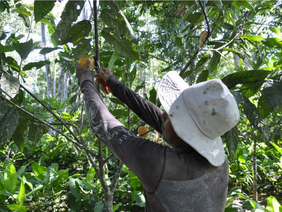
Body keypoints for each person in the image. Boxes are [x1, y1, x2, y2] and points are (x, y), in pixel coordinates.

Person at [75, 60, 240, 212]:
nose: (163, 116)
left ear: (183, 129)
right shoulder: (220, 163)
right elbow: (156, 116)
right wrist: (114, 84)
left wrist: (85, 79)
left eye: (171, 115)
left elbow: (105, 125)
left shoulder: (159, 163)